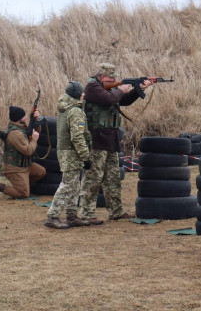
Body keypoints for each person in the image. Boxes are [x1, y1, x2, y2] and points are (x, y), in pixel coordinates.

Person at [77, 63, 151, 224]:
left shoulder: (110, 89)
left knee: (113, 177)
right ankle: (85, 213)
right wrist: (120, 89)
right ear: (101, 76)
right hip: (96, 139)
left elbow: (124, 101)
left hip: (110, 139)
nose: (114, 80)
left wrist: (139, 89)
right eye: (111, 78)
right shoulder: (92, 87)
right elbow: (108, 99)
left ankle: (116, 211)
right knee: (93, 178)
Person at [45, 81, 93, 229]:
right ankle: (52, 216)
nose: (84, 94)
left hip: (66, 151)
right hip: (72, 152)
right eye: (82, 92)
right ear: (78, 94)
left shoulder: (64, 108)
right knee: (68, 185)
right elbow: (77, 137)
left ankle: (72, 216)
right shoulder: (75, 111)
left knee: (74, 185)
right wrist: (85, 156)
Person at [0, 106, 47, 199]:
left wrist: (36, 120)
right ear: (18, 119)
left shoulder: (22, 128)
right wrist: (34, 140)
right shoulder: (15, 133)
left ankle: (23, 185)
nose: (26, 118)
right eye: (24, 116)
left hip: (25, 166)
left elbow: (33, 132)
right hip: (14, 168)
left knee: (41, 172)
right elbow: (28, 151)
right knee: (23, 194)